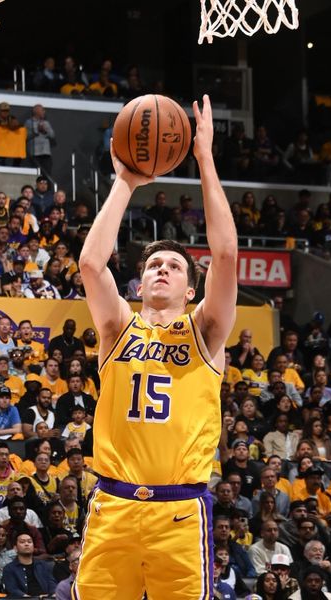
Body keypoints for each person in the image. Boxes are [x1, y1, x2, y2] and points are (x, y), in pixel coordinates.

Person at [73, 95, 237, 599]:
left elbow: (227, 253)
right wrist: (125, 181)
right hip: (112, 505)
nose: (161, 269)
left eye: (173, 266)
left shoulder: (205, 331)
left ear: (191, 290)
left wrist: (205, 159)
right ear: (139, 284)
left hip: (180, 512)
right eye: (151, 266)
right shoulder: (117, 327)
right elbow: (90, 265)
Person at [2, 533, 57, 597]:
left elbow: (52, 583)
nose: (26, 544)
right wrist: (29, 598)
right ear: (15, 548)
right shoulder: (9, 568)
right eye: (22, 542)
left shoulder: (43, 565)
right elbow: (12, 589)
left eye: (29, 542)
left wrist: (53, 594)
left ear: (33, 546)